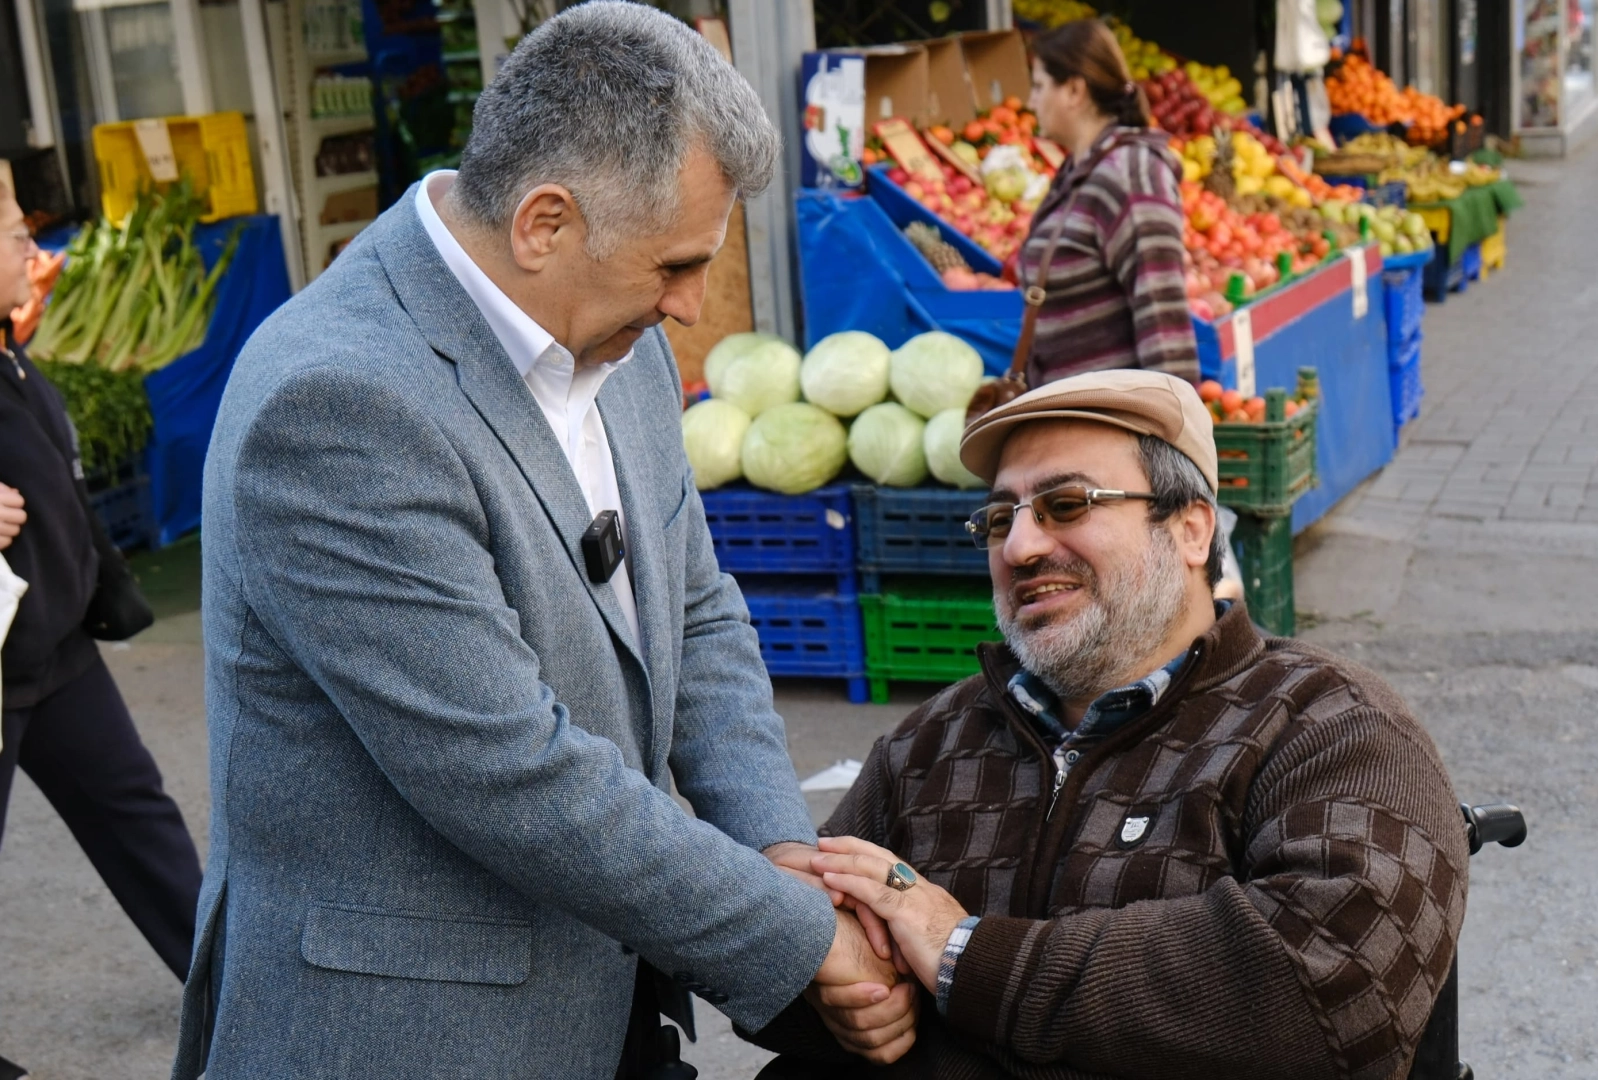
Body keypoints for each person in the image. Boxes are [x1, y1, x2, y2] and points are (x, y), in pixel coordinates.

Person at [172, 6, 903, 1079]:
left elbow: (697, 614)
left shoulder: (615, 336)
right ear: (544, 223)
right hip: (415, 1042)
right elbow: (508, 770)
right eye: (676, 267)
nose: (694, 307)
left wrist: (776, 848)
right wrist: (800, 934)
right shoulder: (338, 404)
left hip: (605, 1005)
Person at [749, 370, 1470, 1079]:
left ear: (1191, 530)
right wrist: (840, 991)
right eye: (1000, 519)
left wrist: (961, 955)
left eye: (1066, 504)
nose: (1020, 548)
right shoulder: (928, 746)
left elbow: (1327, 996)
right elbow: (779, 969)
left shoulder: (1332, 728)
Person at [0, 181, 203, 1080]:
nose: (31, 249)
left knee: (137, 815)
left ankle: (226, 978)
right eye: (13, 234)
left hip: (57, 647)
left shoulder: (11, 349)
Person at [1019, 20, 1199, 387]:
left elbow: (1165, 324)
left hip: (1112, 434)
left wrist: (1173, 436)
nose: (1030, 102)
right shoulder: (1080, 171)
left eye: (1038, 86)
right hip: (1077, 428)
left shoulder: (1130, 174)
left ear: (1073, 90)